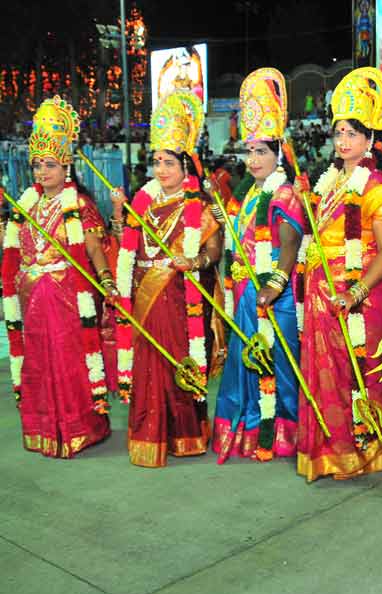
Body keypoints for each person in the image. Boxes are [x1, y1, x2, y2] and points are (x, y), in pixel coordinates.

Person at [296, 67, 382, 481]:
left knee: (358, 374)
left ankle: (362, 449)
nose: (343, 141)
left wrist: (356, 291)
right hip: (321, 293)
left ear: (370, 140)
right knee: (324, 376)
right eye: (339, 132)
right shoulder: (327, 184)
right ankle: (325, 450)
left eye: (353, 134)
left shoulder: (377, 187)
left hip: (360, 295)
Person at [111, 91, 221, 468]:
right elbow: (127, 247)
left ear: (185, 165)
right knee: (148, 365)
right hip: (145, 291)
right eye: (156, 161)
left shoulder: (198, 205)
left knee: (178, 363)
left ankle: (184, 435)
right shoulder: (142, 202)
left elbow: (215, 252)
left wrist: (194, 260)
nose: (161, 169)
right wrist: (117, 214)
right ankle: (147, 434)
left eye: (169, 162)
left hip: (178, 295)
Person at [1, 96, 112, 457]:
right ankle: (44, 429)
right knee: (37, 365)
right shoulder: (25, 206)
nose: (41, 172)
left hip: (67, 302)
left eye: (49, 165)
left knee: (69, 365)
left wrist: (108, 282)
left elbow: (94, 251)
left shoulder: (79, 205)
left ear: (65, 167)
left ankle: (80, 429)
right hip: (33, 303)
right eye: (36, 166)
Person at [213, 68, 304, 463]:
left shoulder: (283, 193)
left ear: (278, 153)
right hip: (247, 294)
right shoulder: (249, 193)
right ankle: (251, 427)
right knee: (247, 362)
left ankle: (278, 433)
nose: (252, 160)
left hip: (273, 295)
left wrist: (276, 281)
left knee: (278, 368)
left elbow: (289, 243)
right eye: (249, 152)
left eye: (261, 152)